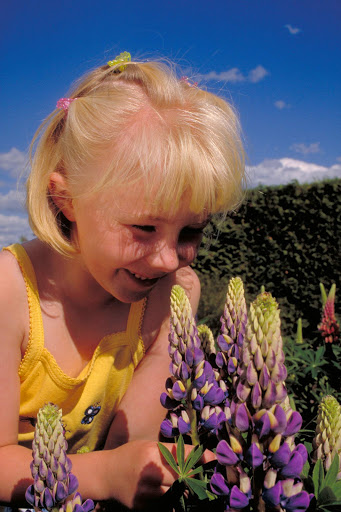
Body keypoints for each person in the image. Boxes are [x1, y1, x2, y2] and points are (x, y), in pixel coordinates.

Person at [0, 52, 245, 509]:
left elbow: (131, 441)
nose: (168, 258)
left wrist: (149, 463)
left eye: (191, 231)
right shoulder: (8, 293)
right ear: (66, 197)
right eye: (144, 228)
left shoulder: (172, 294)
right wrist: (107, 475)